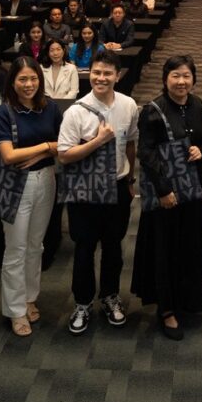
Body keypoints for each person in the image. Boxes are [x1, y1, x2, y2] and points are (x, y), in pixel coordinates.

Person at [131, 56, 202, 340]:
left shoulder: (198, 105)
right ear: (165, 78)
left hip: (192, 190)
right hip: (166, 193)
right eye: (176, 76)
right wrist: (164, 190)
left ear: (193, 79)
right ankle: (166, 309)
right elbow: (146, 153)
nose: (181, 81)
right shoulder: (153, 110)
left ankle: (186, 299)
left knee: (190, 247)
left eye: (186, 76)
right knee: (165, 251)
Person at [58, 50, 139, 335]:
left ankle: (110, 296)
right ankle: (82, 303)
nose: (100, 78)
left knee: (113, 247)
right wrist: (98, 141)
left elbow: (131, 143)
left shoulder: (129, 105)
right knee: (84, 248)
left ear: (118, 76)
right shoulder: (75, 111)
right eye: (96, 72)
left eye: (107, 73)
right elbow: (64, 155)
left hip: (117, 185)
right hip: (85, 189)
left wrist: (131, 178)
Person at [0, 55, 62, 337]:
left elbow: (65, 144)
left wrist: (40, 152)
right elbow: (8, 156)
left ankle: (29, 297)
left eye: (33, 78)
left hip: (47, 179)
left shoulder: (50, 107)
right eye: (22, 79)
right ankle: (15, 309)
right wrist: (46, 147)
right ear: (13, 82)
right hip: (16, 184)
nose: (28, 84)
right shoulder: (4, 112)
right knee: (16, 249)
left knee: (36, 245)